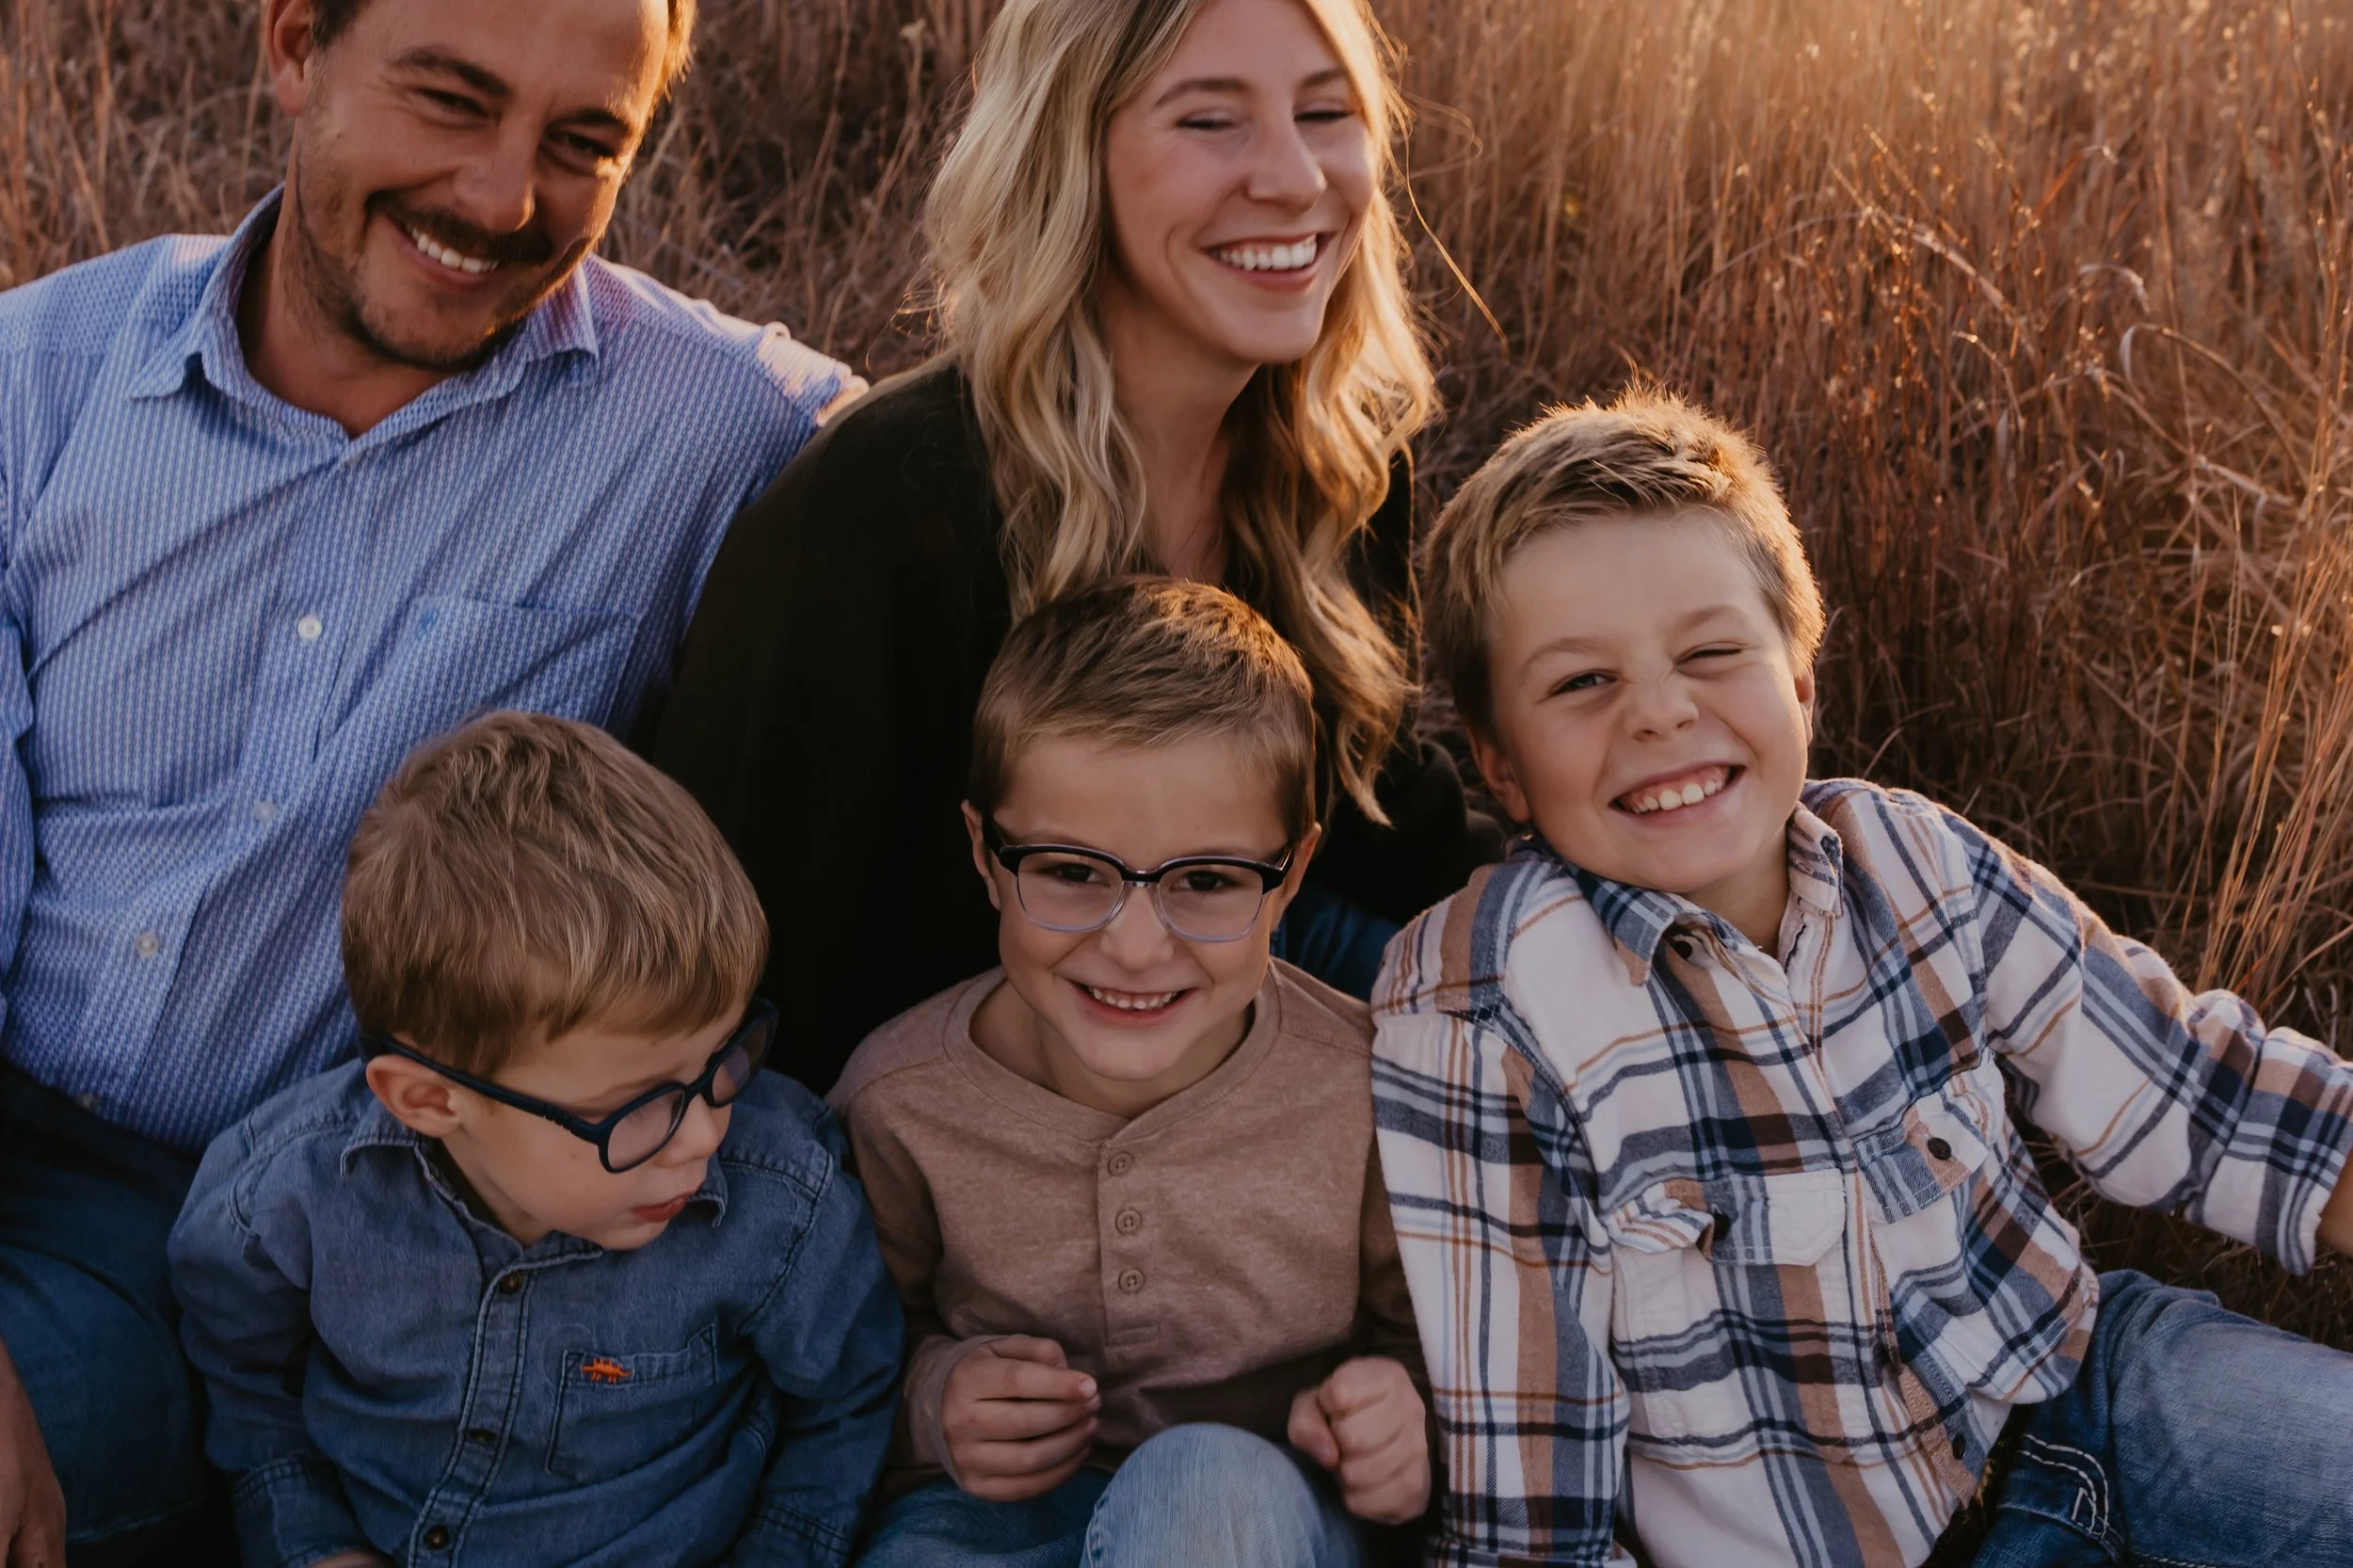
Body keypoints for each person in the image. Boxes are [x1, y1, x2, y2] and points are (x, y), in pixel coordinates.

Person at [0, 0, 863, 1558]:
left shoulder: (723, 432)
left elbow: (1002, 499)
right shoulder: (36, 380)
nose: (498, 197)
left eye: (581, 143)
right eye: (451, 100)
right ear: (291, 48)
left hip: (229, 1220)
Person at [1373, 387, 2353, 1568]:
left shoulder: (1911, 859)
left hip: (2087, 1399)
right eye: (1582, 683)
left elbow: (2202, 1094)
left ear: (1799, 680)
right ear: (1500, 767)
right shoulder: (1481, 1013)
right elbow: (1535, 1515)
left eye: (1711, 651)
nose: (1662, 712)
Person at [651, 0, 1502, 1094]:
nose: (1295, 178)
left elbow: (1369, 813)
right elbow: (736, 975)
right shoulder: (891, 504)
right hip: (910, 1157)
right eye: (1210, 122)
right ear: (1068, 155)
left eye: (1325, 111)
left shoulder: (1338, 473)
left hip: (1205, 1086)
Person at [168, 712, 902, 1568]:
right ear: (430, 1099)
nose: (703, 1132)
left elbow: (850, 1399)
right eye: (636, 1103)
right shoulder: (290, 1196)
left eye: (722, 1057)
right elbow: (238, 1365)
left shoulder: (780, 1200)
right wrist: (310, 1541)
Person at [830, 578, 1430, 1568]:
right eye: (1071, 870)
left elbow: (1445, 1344)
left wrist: (1407, 1424)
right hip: (990, 1519)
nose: (1138, 946)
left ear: (1291, 875)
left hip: (1262, 1517)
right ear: (985, 852)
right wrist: (933, 1403)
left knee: (1199, 1484)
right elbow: (831, 1369)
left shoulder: (1365, 1091)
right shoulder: (900, 1103)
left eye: (1205, 881)